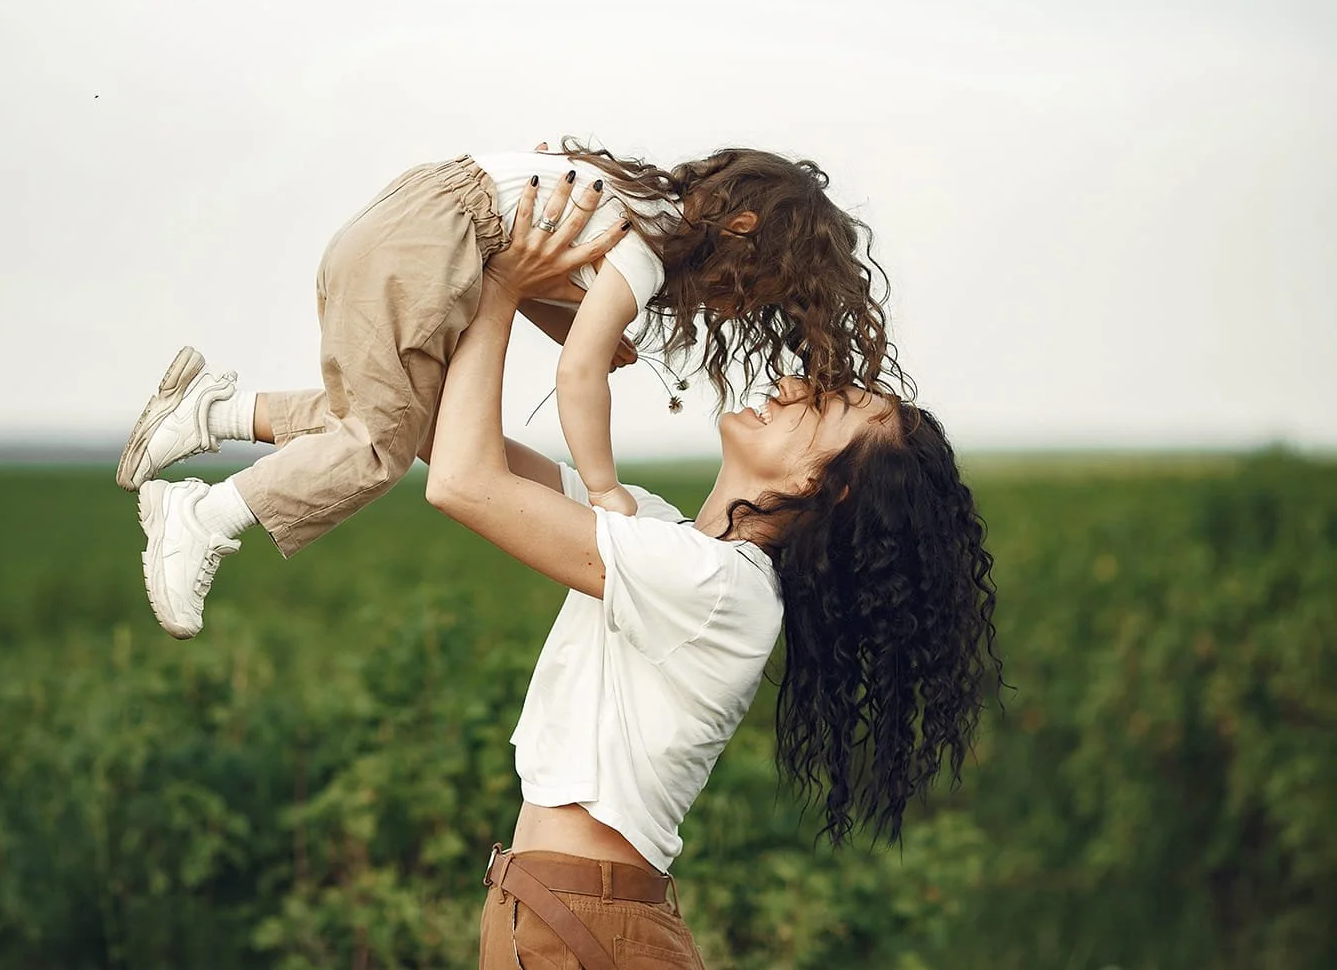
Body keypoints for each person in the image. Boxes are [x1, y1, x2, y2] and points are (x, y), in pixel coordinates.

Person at [424, 178, 1004, 967]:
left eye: (827, 405)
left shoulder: (717, 589)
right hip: (570, 914)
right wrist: (532, 295)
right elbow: (440, 434)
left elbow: (462, 482)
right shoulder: (657, 533)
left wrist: (501, 284)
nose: (797, 383)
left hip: (581, 924)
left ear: (816, 487)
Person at [116, 141, 895, 638]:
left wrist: (567, 322)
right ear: (742, 230)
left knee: (387, 413)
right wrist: (603, 487)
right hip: (430, 250)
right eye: (752, 288)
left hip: (407, 221)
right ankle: (202, 513)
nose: (736, 306)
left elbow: (530, 255)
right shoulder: (651, 248)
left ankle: (209, 411)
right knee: (378, 449)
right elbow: (577, 374)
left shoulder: (635, 204)